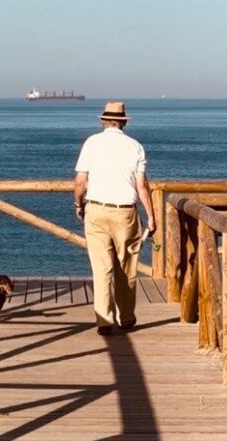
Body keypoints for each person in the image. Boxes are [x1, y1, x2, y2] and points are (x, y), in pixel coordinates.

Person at [73, 102, 156, 336]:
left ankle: (104, 320)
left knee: (101, 269)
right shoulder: (135, 147)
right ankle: (127, 317)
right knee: (126, 268)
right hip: (125, 212)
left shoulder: (91, 143)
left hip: (96, 209)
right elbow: (142, 185)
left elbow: (80, 182)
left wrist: (79, 204)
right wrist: (151, 216)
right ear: (124, 122)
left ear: (103, 121)